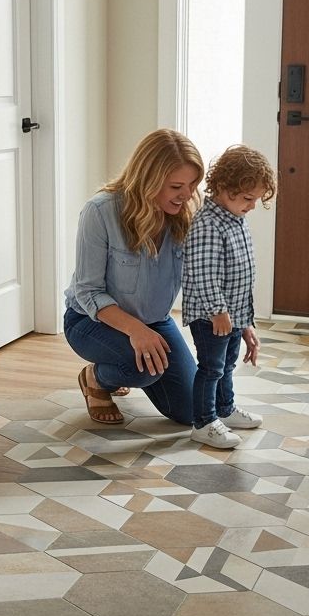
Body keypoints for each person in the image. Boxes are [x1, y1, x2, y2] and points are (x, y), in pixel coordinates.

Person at [65, 128, 203, 426]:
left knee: (192, 411)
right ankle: (97, 378)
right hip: (91, 322)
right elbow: (88, 292)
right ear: (147, 180)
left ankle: (124, 362)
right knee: (145, 368)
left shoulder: (185, 214)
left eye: (193, 184)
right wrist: (135, 332)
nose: (188, 194)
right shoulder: (100, 212)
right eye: (176, 185)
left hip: (154, 321)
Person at [180, 146, 276, 448]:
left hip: (232, 315)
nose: (251, 206)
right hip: (213, 316)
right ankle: (204, 422)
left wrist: (245, 322)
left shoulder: (234, 218)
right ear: (223, 187)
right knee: (211, 367)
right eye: (247, 199)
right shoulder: (208, 224)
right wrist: (218, 311)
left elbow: (240, 274)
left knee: (227, 365)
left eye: (256, 200)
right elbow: (203, 272)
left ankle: (225, 409)